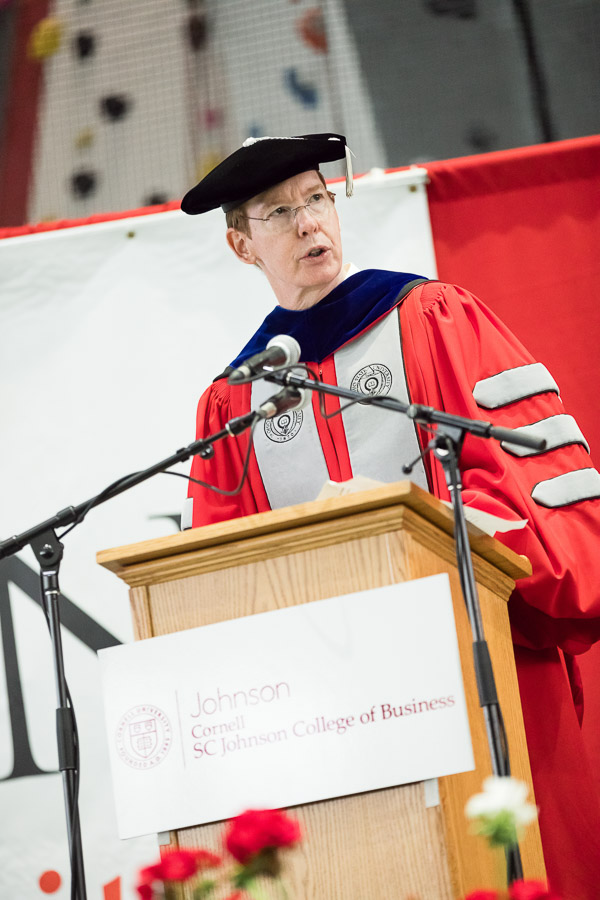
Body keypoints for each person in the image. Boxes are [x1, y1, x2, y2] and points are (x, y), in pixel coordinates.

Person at [181, 133, 600, 897]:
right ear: (244, 246)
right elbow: (222, 580)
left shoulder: (432, 316)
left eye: (317, 199)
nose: (311, 224)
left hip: (482, 665)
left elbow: (523, 478)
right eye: (280, 213)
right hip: (347, 719)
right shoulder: (233, 402)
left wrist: (413, 525)